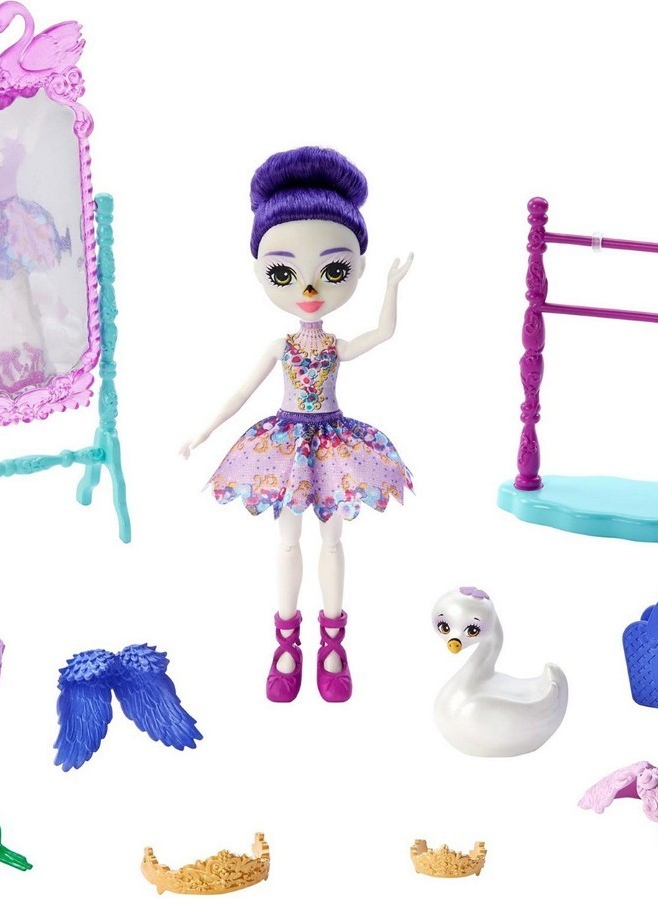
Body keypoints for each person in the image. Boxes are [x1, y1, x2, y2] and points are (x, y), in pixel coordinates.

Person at [181, 146, 412, 703]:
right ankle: (286, 645)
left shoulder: (335, 344)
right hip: (286, 443)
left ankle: (333, 645)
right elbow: (242, 391)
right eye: (284, 274)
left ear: (355, 268)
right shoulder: (280, 344)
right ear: (262, 272)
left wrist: (391, 287)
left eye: (333, 272)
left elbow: (382, 335)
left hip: (332, 441)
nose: (309, 292)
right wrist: (205, 429)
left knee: (331, 540)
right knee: (287, 543)